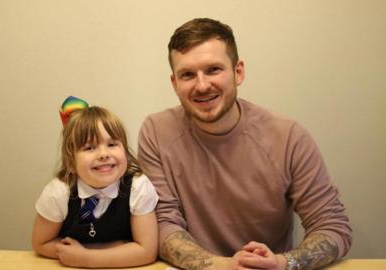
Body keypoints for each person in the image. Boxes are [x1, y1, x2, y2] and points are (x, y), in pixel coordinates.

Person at [138, 18, 352, 270]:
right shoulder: (156, 132)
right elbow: (162, 224)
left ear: (238, 72)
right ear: (174, 83)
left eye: (213, 69)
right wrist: (222, 266)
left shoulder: (288, 136)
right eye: (187, 75)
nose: (202, 85)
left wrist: (284, 263)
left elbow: (331, 225)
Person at [32, 96, 158, 268]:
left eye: (112, 144)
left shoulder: (138, 187)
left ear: (125, 150)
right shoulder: (59, 192)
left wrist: (86, 258)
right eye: (89, 148)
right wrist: (117, 249)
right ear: (70, 160)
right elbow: (41, 243)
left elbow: (147, 251)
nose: (104, 154)